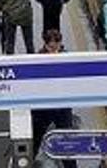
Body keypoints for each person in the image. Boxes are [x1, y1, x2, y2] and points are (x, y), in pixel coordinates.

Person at [32, 29, 77, 167]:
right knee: (36, 139)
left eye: (56, 46)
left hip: (62, 107)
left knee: (66, 142)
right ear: (45, 45)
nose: (54, 50)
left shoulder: (67, 58)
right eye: (51, 47)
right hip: (43, 108)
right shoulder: (37, 59)